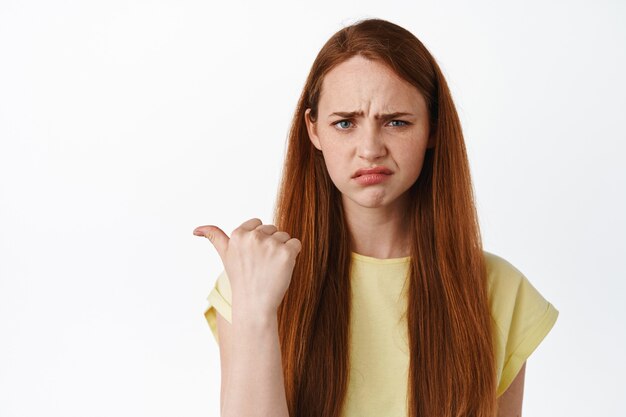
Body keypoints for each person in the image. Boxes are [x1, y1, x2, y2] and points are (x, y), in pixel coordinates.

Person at [193, 18, 558, 417]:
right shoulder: (253, 280)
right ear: (313, 130)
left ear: (433, 128)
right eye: (345, 123)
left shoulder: (500, 290)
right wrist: (256, 311)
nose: (370, 149)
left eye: (396, 121)